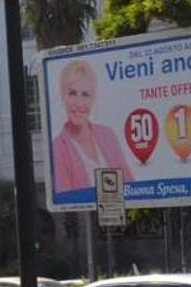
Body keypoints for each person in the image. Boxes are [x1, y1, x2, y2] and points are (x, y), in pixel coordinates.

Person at [50, 59, 134, 196]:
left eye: (85, 94)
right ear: (62, 96)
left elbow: (130, 184)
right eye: (72, 93)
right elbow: (67, 200)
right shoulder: (58, 148)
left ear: (93, 98)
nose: (79, 103)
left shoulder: (108, 135)